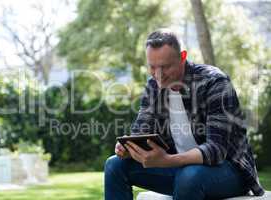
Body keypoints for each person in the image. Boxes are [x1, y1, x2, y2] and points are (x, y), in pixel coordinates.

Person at [104, 28, 265, 200]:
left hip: (230, 170)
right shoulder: (153, 86)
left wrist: (167, 160)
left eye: (165, 67)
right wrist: (129, 148)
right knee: (114, 165)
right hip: (180, 169)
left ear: (182, 57)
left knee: (189, 176)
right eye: (152, 67)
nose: (158, 75)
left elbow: (216, 150)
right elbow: (141, 131)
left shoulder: (215, 82)